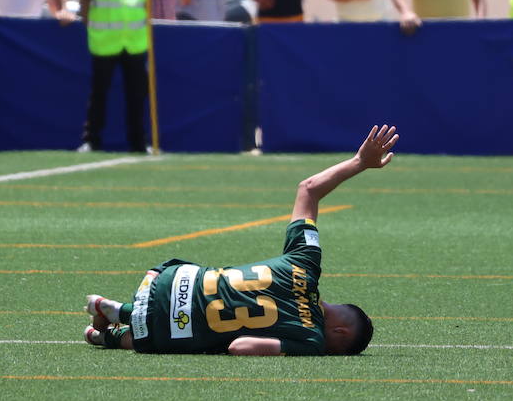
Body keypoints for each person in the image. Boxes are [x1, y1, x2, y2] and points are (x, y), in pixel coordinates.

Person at [82, 124, 398, 356]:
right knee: (190, 337)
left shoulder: (305, 263)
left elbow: (308, 189)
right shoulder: (312, 339)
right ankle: (111, 330)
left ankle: (121, 310)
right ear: (339, 333)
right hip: (166, 328)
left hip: (166, 276)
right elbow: (239, 346)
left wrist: (359, 162)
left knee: (192, 304)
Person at [78, 0, 151, 154]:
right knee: (99, 94)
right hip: (105, 42)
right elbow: (86, 0)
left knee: (137, 96)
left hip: (134, 42)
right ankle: (91, 141)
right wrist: (90, 25)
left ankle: (139, 143)